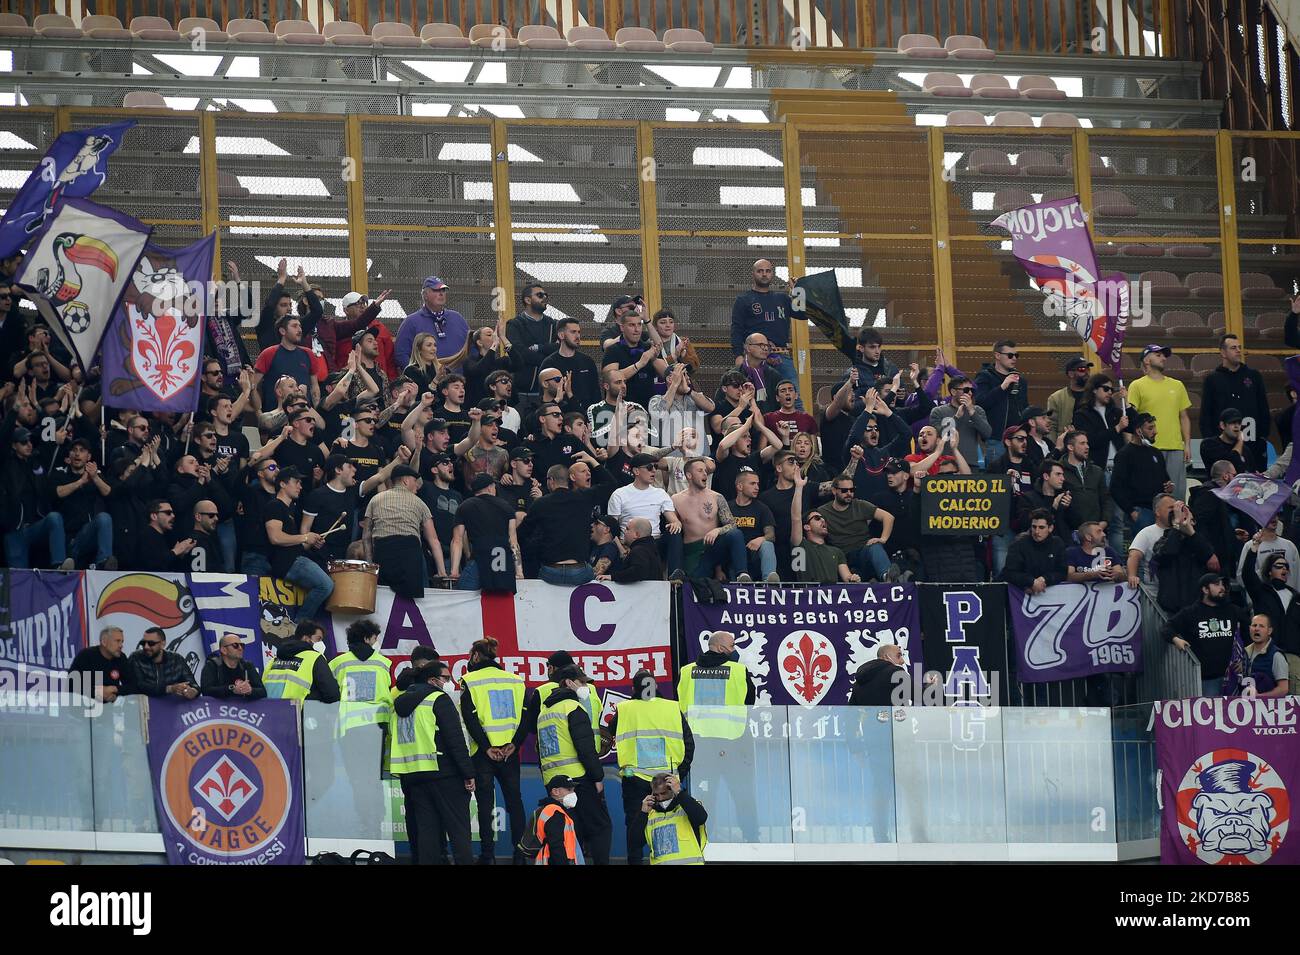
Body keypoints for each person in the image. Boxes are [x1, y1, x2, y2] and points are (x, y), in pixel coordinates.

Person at [597, 670, 694, 864]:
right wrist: (679, 774)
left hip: (635, 778)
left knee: (635, 826)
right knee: (668, 824)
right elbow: (689, 744)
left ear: (633, 689)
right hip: (667, 780)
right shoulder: (673, 708)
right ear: (655, 686)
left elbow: (610, 732)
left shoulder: (624, 709)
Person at [390, 657, 475, 865]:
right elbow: (454, 739)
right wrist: (468, 773)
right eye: (445, 677)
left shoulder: (400, 703)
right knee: (459, 833)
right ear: (432, 679)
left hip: (412, 776)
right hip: (444, 773)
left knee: (427, 837)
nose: (449, 682)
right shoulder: (438, 699)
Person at [457, 636, 529, 865]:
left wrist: (487, 747)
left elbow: (470, 718)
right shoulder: (516, 680)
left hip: (483, 754)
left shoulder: (469, 679)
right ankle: (521, 856)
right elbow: (526, 716)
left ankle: (488, 856)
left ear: (476, 656)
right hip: (509, 752)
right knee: (514, 804)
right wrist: (514, 743)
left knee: (485, 805)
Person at [537, 665, 613, 865]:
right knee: (600, 827)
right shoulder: (573, 708)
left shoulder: (545, 712)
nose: (586, 686)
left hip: (552, 782)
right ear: (569, 683)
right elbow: (585, 748)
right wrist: (597, 777)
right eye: (582, 682)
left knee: (570, 830)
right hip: (577, 780)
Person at [519, 463, 608, 586]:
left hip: (551, 571)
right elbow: (610, 483)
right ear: (568, 480)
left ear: (551, 480)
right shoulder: (584, 497)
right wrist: (594, 462)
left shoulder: (541, 504)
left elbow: (522, 534)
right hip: (579, 571)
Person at [1161, 573, 1251, 697]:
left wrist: (1245, 660)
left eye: (1222, 584)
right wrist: (1176, 639)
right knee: (1212, 714)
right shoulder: (1191, 612)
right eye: (1216, 584)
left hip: (1232, 677)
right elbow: (1166, 628)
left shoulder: (1232, 610)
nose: (1222, 588)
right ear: (1205, 589)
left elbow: (1251, 633)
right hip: (1205, 679)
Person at [264, 468, 335, 622]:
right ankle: (300, 624)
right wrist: (304, 537)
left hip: (294, 558)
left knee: (325, 584)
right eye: (296, 482)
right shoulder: (275, 506)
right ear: (282, 484)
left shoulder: (288, 510)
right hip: (289, 562)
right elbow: (275, 537)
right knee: (326, 585)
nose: (300, 487)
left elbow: (293, 543)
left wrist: (311, 541)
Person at [363, 464, 445, 596]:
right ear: (406, 481)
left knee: (383, 597)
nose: (417, 486)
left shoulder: (375, 500)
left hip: (383, 551)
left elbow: (366, 535)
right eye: (415, 481)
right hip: (409, 553)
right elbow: (433, 540)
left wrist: (369, 564)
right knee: (411, 600)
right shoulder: (420, 503)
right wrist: (442, 572)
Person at [1126, 343, 1192, 500]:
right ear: (1147, 360)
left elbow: (1184, 416)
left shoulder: (1177, 385)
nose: (1163, 358)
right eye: (1158, 355)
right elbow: (1132, 417)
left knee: (1176, 495)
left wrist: (1187, 444)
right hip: (1148, 447)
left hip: (1175, 447)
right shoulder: (1137, 385)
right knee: (1151, 494)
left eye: (1164, 355)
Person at [1, 427, 72, 570]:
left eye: (30, 441)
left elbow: (47, 449)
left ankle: (60, 565)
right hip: (15, 530)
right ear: (13, 445)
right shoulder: (5, 463)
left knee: (54, 518)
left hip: (36, 526)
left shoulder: (36, 462)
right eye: (23, 442)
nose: (29, 445)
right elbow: (3, 438)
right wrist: (14, 411)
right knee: (19, 581)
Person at [1200, 333, 1270, 472]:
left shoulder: (1253, 376)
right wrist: (1212, 442)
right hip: (1223, 446)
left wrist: (1262, 436)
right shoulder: (1212, 379)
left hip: (1253, 443)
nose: (1238, 350)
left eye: (1239, 347)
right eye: (1233, 348)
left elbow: (1263, 408)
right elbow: (1206, 413)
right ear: (1223, 352)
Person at [730, 259, 797, 403]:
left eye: (768, 271)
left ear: (772, 273)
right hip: (756, 358)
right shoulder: (744, 300)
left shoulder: (783, 298)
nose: (764, 274)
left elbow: (802, 314)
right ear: (753, 274)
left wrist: (797, 292)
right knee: (758, 399)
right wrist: (738, 355)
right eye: (760, 271)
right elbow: (737, 329)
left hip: (781, 356)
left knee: (793, 399)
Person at [670, 457, 747, 582]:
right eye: (700, 471)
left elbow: (732, 525)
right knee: (692, 583)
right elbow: (673, 525)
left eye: (705, 471)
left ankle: (742, 574)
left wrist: (717, 530)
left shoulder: (716, 497)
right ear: (689, 475)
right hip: (692, 552)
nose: (705, 473)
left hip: (713, 547)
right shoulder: (676, 499)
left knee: (735, 534)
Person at [450, 474, 523, 591]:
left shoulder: (465, 506)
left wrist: (454, 571)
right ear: (490, 487)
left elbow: (457, 540)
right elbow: (513, 542)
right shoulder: (507, 507)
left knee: (462, 596)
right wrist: (519, 572)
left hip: (479, 561)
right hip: (503, 563)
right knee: (499, 602)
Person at [51, 438, 114, 570]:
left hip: (86, 535)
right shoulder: (60, 472)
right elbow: (58, 492)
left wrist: (95, 478)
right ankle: (62, 565)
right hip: (66, 537)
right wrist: (81, 481)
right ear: (69, 455)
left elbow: (108, 492)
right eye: (74, 450)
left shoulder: (95, 475)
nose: (77, 454)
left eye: (82, 450)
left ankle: (103, 562)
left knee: (104, 518)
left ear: (89, 456)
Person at [819, 473, 896, 582]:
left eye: (852, 490)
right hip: (840, 556)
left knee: (875, 546)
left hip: (863, 551)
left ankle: (887, 577)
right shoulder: (823, 511)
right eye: (844, 491)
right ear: (834, 491)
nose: (849, 493)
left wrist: (883, 539)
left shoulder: (860, 505)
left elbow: (888, 517)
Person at [1111, 413, 1172, 538]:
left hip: (1159, 511)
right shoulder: (1125, 455)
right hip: (1141, 512)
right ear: (1139, 431)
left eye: (1154, 427)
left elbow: (1165, 479)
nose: (1155, 431)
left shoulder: (1156, 453)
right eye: (1150, 428)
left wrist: (1169, 486)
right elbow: (1115, 487)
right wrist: (1131, 511)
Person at [606, 452, 681, 550]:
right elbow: (612, 528)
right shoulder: (619, 494)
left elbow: (675, 521)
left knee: (675, 533)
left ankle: (676, 566)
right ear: (636, 471)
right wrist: (621, 549)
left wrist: (675, 524)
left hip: (654, 541)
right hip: (631, 543)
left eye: (655, 466)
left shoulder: (660, 493)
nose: (654, 471)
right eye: (649, 467)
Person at [252, 315, 327, 412]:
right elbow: (253, 385)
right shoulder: (268, 353)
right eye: (294, 326)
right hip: (276, 416)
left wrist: (316, 412)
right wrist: (260, 414)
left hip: (302, 416)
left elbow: (314, 387)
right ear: (282, 331)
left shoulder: (308, 354)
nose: (299, 330)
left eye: (300, 326)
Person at [395, 276, 469, 372]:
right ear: (425, 295)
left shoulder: (458, 318)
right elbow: (401, 354)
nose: (441, 293)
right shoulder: (411, 322)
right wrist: (419, 376)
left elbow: (471, 349)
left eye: (443, 290)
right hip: (429, 384)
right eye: (436, 290)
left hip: (458, 383)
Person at [974, 340, 1029, 467]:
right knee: (996, 477)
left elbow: (1024, 406)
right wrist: (1002, 387)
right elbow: (981, 403)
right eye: (1010, 355)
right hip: (996, 437)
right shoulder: (985, 376)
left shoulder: (1020, 380)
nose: (1014, 358)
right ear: (997, 356)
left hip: (1017, 437)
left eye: (1016, 355)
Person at [1189, 460, 1246, 579]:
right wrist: (1208, 554)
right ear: (1226, 476)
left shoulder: (1219, 495)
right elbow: (1199, 526)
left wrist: (1231, 534)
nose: (1236, 479)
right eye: (1234, 475)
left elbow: (1214, 525)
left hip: (1221, 557)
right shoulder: (1208, 494)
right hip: (1212, 559)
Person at [602, 305, 667, 409]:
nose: (637, 329)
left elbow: (666, 374)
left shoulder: (647, 348)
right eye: (632, 325)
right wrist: (640, 363)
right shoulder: (613, 350)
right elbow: (610, 379)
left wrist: (654, 358)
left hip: (648, 407)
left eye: (639, 325)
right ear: (622, 327)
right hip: (622, 408)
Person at [638, 771, 708, 866]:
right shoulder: (650, 814)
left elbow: (701, 817)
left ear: (673, 790)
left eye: (663, 793)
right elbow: (634, 842)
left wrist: (680, 792)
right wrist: (642, 813)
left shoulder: (687, 807)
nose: (660, 798)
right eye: (656, 795)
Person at [263, 619, 340, 703]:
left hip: (269, 712)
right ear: (306, 638)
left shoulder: (273, 660)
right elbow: (332, 694)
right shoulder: (315, 657)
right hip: (298, 713)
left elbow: (262, 690)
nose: (321, 643)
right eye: (318, 639)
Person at [1059, 431, 1112, 544]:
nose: (1087, 447)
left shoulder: (1097, 471)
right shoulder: (1059, 471)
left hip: (1097, 532)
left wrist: (1104, 522)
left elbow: (1105, 499)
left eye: (1087, 443)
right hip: (1069, 535)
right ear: (1070, 447)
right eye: (1082, 443)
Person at [505, 283, 557, 398]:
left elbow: (559, 348)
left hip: (549, 392)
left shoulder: (553, 324)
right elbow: (519, 352)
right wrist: (547, 359)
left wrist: (540, 348)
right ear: (528, 300)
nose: (544, 297)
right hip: (522, 392)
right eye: (539, 295)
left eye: (545, 295)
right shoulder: (514, 324)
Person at [1000, 508, 1068, 593]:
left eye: (1041, 527)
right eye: (1034, 527)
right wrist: (1031, 581)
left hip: (1049, 594)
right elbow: (1009, 573)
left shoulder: (1057, 543)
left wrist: (1045, 579)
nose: (1036, 531)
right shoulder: (1019, 544)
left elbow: (1062, 572)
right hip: (1020, 593)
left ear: (1050, 528)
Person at [730, 467, 779, 583]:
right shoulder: (727, 508)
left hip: (755, 554)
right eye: (752, 484)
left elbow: (771, 535)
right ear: (740, 486)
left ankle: (770, 580)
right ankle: (742, 576)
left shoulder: (762, 508)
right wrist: (718, 570)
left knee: (767, 544)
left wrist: (760, 539)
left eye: (757, 484)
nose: (757, 487)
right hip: (733, 557)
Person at [930, 375, 990, 468]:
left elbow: (987, 434)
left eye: (972, 390)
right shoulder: (938, 412)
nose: (970, 393)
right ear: (953, 391)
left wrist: (972, 412)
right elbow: (939, 436)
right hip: (945, 466)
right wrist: (956, 417)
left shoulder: (977, 410)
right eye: (966, 390)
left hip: (971, 465)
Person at [1072, 373, 1127, 472]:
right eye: (1106, 389)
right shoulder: (1082, 414)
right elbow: (1092, 440)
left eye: (1112, 389)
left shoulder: (1115, 412)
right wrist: (1117, 428)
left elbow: (1135, 425)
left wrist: (1126, 402)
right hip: (1098, 470)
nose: (1110, 392)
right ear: (1094, 389)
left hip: (1119, 468)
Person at [791, 506, 861, 584]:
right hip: (808, 594)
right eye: (817, 518)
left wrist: (853, 578)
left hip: (831, 595)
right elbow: (796, 518)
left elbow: (847, 578)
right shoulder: (801, 546)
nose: (823, 520)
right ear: (807, 527)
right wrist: (798, 492)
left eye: (823, 518)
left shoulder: (836, 551)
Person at [127, 627, 199, 699]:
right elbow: (139, 686)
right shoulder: (135, 657)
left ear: (163, 644)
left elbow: (193, 684)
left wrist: (193, 691)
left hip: (172, 707)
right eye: (143, 643)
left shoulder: (176, 659)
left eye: (151, 643)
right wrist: (170, 689)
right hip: (143, 706)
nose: (146, 647)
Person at [67, 626, 133, 701]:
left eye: (122, 642)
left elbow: (132, 686)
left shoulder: (121, 658)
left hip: (110, 709)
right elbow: (72, 684)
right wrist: (98, 692)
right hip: (84, 707)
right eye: (117, 641)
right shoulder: (86, 655)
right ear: (104, 642)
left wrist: (115, 690)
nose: (121, 645)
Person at [532, 775, 584, 865]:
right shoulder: (555, 812)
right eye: (569, 790)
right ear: (555, 791)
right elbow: (556, 846)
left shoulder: (557, 810)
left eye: (573, 790)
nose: (573, 793)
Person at [1236, 614, 1291, 697]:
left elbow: (1283, 689)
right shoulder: (1244, 653)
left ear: (1269, 631)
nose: (1257, 629)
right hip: (1246, 704)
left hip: (1269, 708)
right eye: (1254, 625)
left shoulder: (1276, 655)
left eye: (1261, 626)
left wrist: (1261, 697)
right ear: (1249, 628)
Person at [1239, 518, 1300, 590]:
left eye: (1275, 514)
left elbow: (1298, 575)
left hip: (1288, 598)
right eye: (1269, 515)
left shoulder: (1289, 545)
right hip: (1261, 597)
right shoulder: (1250, 546)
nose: (1273, 518)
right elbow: (1241, 577)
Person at [200, 634, 266, 699]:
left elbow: (263, 692)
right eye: (235, 645)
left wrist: (250, 690)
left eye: (242, 645)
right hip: (219, 709)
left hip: (244, 709)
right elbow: (206, 690)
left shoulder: (247, 666)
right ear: (224, 650)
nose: (240, 648)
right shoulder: (212, 665)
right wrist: (232, 689)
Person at [1047, 356, 1093, 444]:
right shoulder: (1056, 398)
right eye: (1082, 369)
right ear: (1071, 374)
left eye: (1088, 369)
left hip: (1093, 445)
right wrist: (1053, 449)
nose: (1087, 372)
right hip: (1067, 446)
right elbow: (1051, 426)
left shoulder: (1095, 395)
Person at [601, 517, 663, 583]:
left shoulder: (639, 550)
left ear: (636, 535)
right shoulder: (651, 549)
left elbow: (639, 571)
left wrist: (613, 577)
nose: (624, 532)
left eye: (627, 529)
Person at [1199, 407, 1250, 475]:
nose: (1237, 426)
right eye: (1232, 422)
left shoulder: (1245, 449)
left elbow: (1250, 472)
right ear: (1222, 425)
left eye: (1239, 423)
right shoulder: (1209, 444)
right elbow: (1229, 465)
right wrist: (1240, 441)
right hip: (1218, 485)